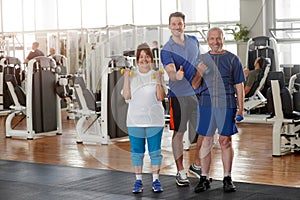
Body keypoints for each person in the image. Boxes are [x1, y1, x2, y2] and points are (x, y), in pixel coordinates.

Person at [191, 27, 245, 193]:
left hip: (227, 104)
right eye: (212, 39)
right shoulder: (201, 59)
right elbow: (194, 85)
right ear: (207, 41)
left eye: (218, 38)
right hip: (206, 105)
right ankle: (204, 178)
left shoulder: (233, 59)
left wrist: (241, 109)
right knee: (206, 141)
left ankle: (227, 178)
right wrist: (199, 73)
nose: (215, 42)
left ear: (223, 39)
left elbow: (239, 86)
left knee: (225, 141)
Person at [160, 11, 202, 187]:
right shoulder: (166, 49)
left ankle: (196, 165)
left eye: (180, 24)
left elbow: (200, 61)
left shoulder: (193, 41)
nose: (177, 27)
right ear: (169, 26)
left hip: (198, 93)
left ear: (184, 25)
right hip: (179, 96)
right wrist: (176, 75)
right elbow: (170, 71)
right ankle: (180, 171)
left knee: (204, 132)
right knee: (179, 133)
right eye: (174, 24)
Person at [122, 42, 166, 194]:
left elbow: (160, 98)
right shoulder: (132, 76)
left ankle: (156, 180)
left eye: (147, 56)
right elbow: (126, 96)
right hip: (135, 120)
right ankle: (138, 181)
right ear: (137, 59)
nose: (144, 59)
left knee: (155, 152)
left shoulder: (156, 75)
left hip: (155, 120)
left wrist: (159, 79)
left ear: (151, 58)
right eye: (141, 57)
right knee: (137, 152)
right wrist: (126, 77)